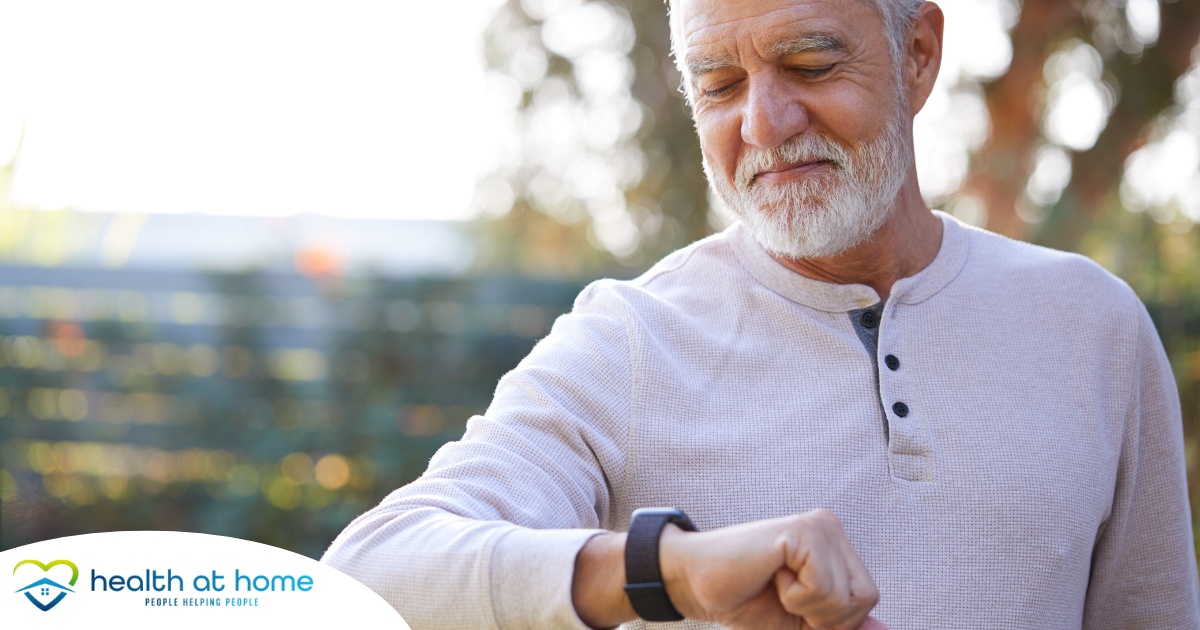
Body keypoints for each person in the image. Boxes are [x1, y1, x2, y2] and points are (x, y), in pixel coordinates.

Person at [322, 0, 1200, 627]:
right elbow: (372, 573)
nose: (765, 123)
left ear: (920, 53)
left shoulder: (1096, 328)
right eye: (718, 84)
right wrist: (667, 570)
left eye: (810, 64)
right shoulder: (630, 341)